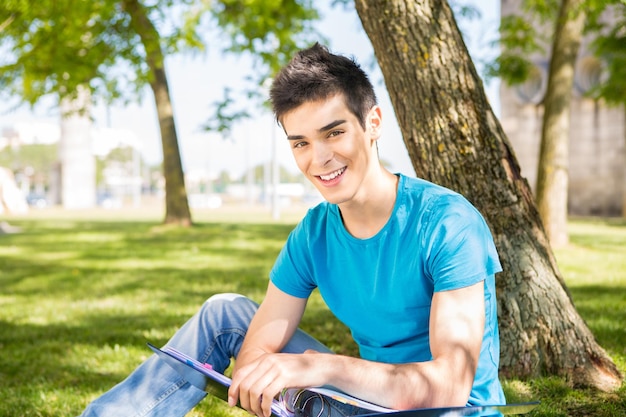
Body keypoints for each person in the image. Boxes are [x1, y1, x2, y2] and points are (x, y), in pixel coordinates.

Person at [79, 42, 505, 417]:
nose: (318, 158)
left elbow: (448, 388)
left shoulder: (448, 223)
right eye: (300, 142)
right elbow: (253, 356)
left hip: (444, 411)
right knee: (224, 311)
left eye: (333, 132)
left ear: (372, 123)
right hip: (363, 404)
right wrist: (268, 382)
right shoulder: (314, 233)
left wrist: (316, 367)